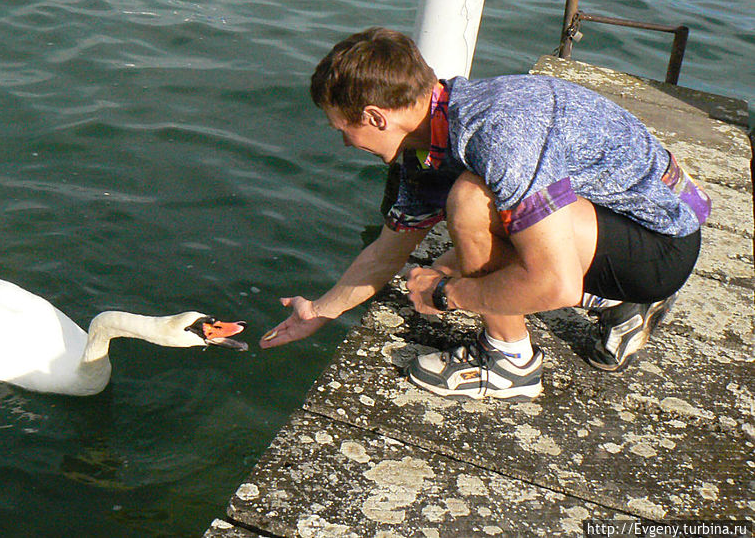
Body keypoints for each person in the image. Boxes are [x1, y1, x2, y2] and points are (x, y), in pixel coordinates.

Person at [260, 27, 710, 401]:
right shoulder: (434, 136)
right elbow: (386, 251)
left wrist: (448, 294)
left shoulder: (497, 130)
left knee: (472, 202)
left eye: (343, 129)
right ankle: (617, 301)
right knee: (479, 228)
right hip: (632, 217)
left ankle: (509, 364)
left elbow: (555, 282)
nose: (345, 143)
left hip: (661, 244)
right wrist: (318, 312)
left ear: (376, 118)